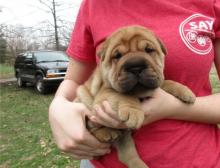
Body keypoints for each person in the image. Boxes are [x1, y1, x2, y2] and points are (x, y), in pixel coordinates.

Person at [49, 0, 220, 167]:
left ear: (162, 50)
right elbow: (73, 81)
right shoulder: (94, 4)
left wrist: (174, 107)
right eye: (117, 56)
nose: (135, 67)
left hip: (200, 159)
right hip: (104, 159)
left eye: (148, 50)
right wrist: (57, 106)